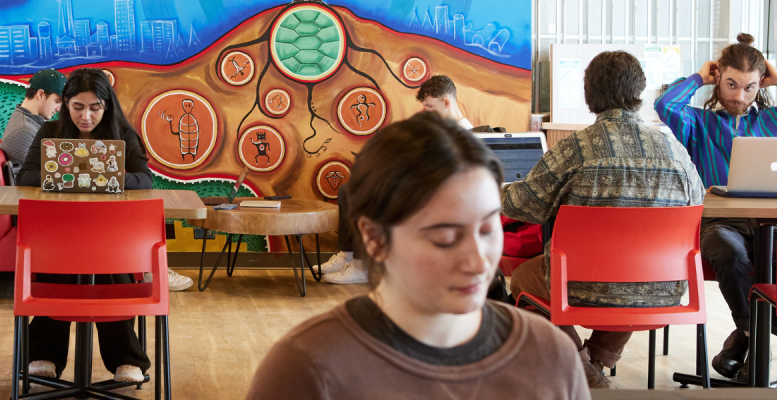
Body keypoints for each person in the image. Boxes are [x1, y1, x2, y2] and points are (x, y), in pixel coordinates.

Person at [247, 112, 588, 399]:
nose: (480, 261)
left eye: (487, 229)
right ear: (375, 238)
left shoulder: (550, 356)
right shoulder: (308, 369)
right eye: (444, 237)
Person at [504, 51, 705, 388]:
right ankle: (595, 365)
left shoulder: (576, 149)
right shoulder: (676, 152)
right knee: (628, 272)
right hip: (662, 286)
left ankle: (583, 372)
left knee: (524, 276)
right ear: (641, 92)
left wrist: (497, 189)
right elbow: (696, 206)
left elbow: (524, 206)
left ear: (588, 96)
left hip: (582, 285)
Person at [654, 33, 777, 382]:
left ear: (761, 85)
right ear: (717, 78)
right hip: (720, 223)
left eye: (749, 88)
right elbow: (666, 104)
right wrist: (698, 76)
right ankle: (756, 340)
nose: (739, 96)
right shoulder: (698, 123)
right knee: (730, 253)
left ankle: (744, 339)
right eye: (730, 84)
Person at [16, 68, 154, 383]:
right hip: (59, 235)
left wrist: (88, 178)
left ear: (107, 106)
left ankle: (123, 360)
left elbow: (144, 179)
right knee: (62, 263)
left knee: (107, 266)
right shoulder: (50, 130)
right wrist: (85, 177)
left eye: (95, 107)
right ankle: (45, 355)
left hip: (111, 237)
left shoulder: (121, 132)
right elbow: (25, 176)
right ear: (65, 104)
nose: (86, 116)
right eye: (77, 107)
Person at [322, 74, 475, 284]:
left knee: (356, 194)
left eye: (430, 106)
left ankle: (359, 266)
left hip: (426, 195)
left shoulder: (464, 135)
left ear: (446, 102)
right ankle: (347, 256)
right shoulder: (441, 130)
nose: (427, 112)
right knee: (347, 190)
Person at [0, 69, 66, 164]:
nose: (58, 109)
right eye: (57, 102)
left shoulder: (30, 122)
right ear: (40, 94)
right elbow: (45, 172)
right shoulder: (24, 130)